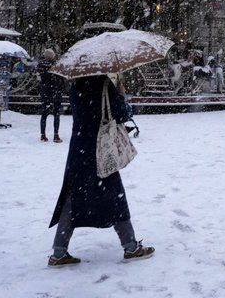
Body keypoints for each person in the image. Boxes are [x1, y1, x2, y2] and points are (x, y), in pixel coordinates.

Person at [48, 74, 154, 267]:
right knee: (115, 197)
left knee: (73, 199)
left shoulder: (76, 86)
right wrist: (121, 94)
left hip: (79, 150)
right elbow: (122, 114)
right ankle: (131, 247)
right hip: (101, 150)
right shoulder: (104, 86)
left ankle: (59, 252)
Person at [38, 49, 66, 143]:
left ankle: (43, 135)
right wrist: (62, 88)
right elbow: (61, 78)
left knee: (44, 114)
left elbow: (39, 78)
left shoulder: (41, 65)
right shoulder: (57, 65)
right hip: (56, 92)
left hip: (45, 91)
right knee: (56, 113)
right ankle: (56, 135)